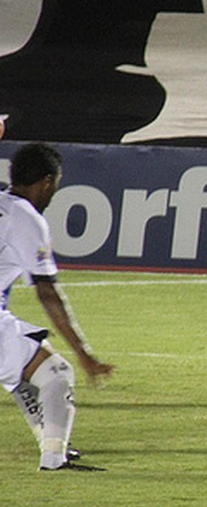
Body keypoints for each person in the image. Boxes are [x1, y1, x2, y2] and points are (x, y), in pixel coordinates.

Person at [1, 142, 114, 470]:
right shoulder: (25, 217)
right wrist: (84, 353)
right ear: (47, 182)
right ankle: (54, 458)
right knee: (56, 371)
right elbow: (47, 293)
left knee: (22, 372)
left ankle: (54, 445)